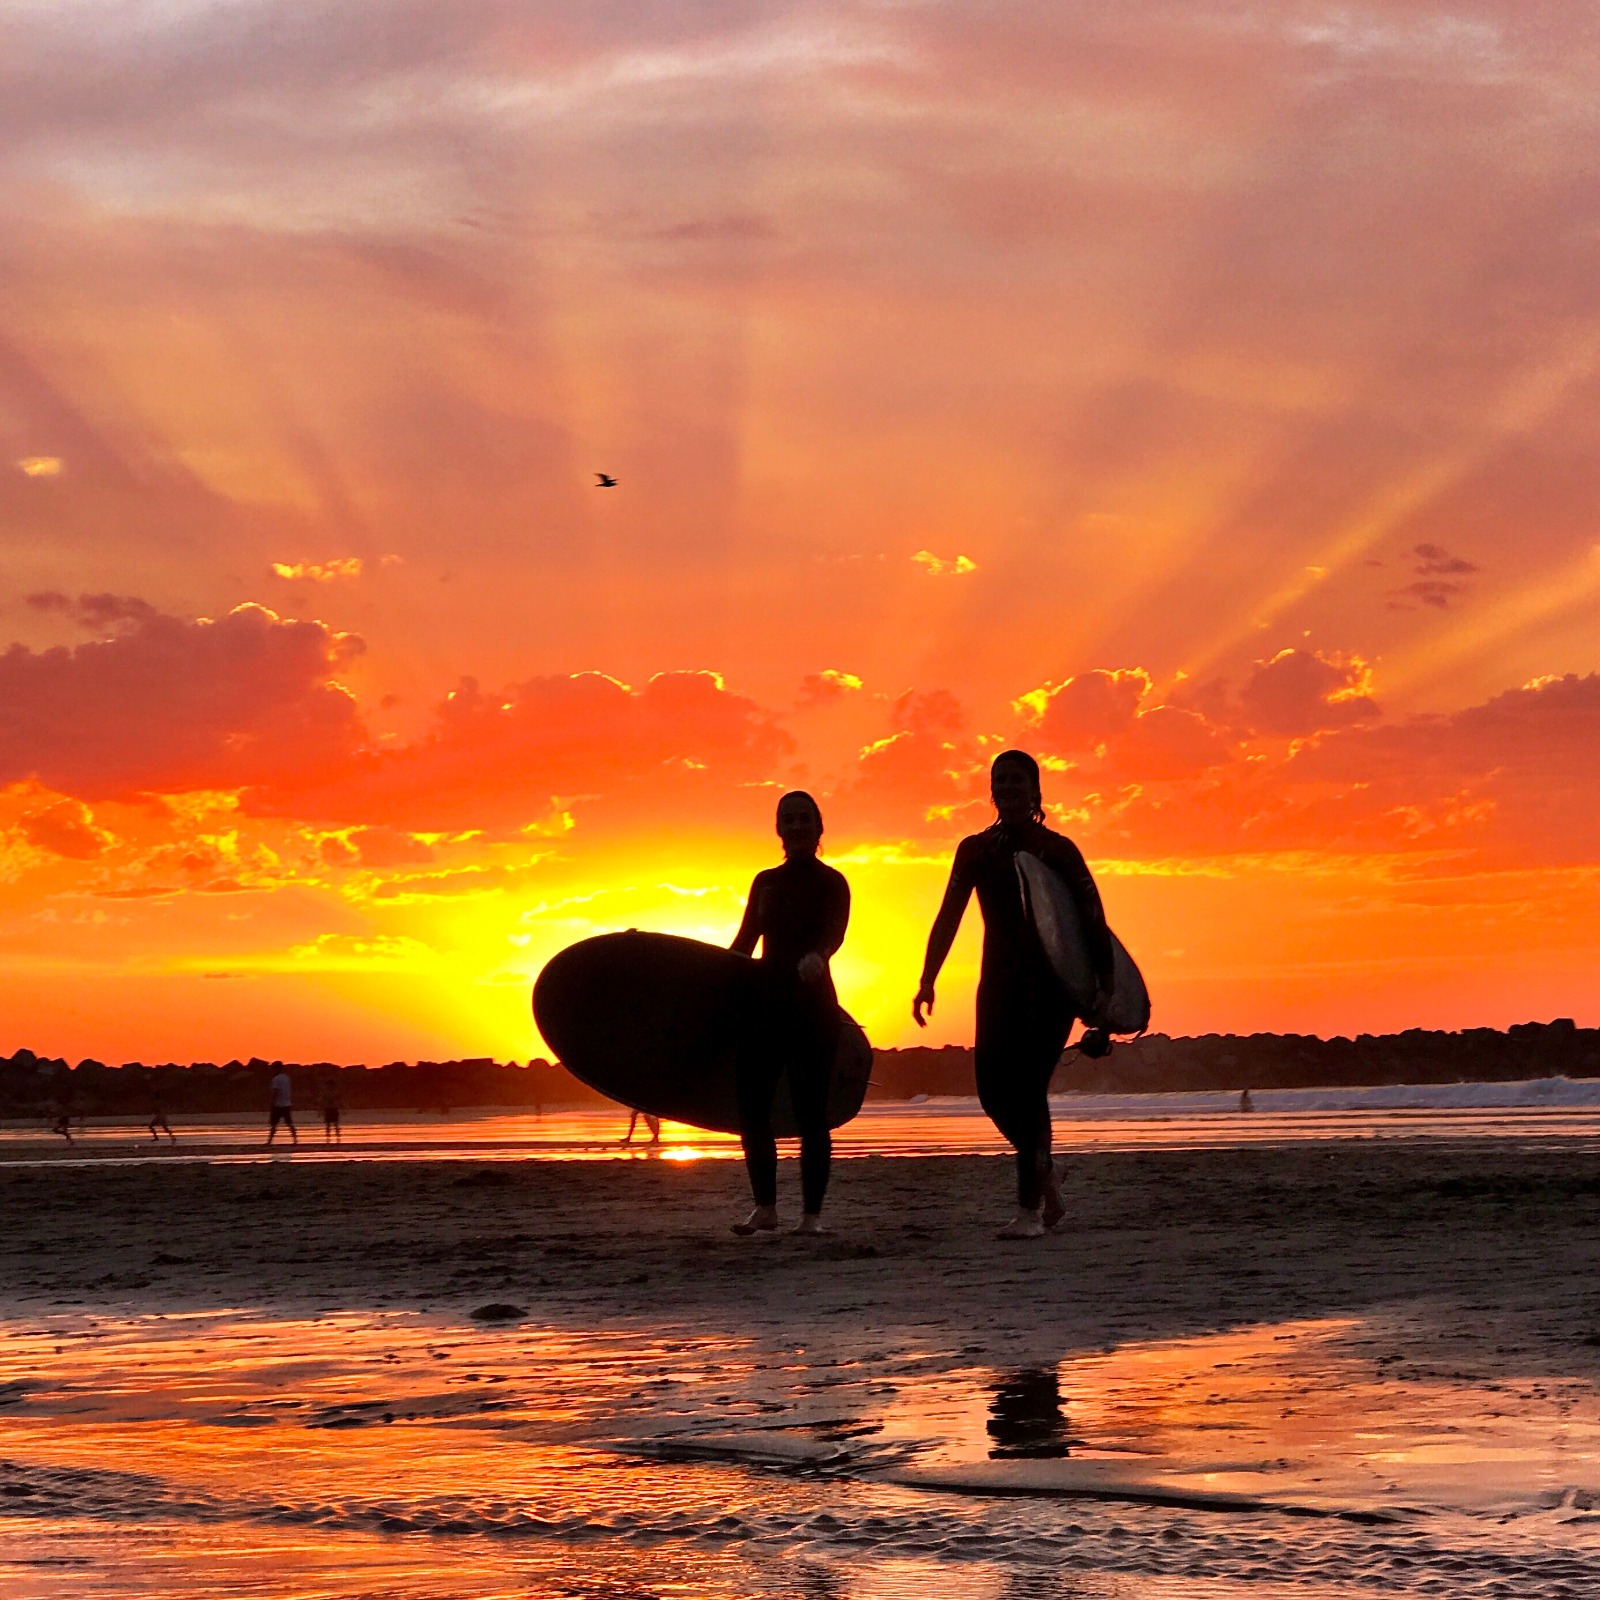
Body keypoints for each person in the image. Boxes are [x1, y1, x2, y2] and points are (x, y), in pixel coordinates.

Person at [915, 750, 1113, 1239]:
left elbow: (1092, 920)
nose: (1007, 787)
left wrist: (1103, 992)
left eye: (1017, 779)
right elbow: (949, 915)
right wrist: (927, 977)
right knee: (991, 1090)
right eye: (999, 779)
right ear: (991, 790)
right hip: (998, 983)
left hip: (1051, 989)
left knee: (1026, 1089)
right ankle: (1044, 1167)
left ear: (1036, 789)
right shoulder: (976, 850)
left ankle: (1029, 1212)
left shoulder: (1059, 850)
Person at [728, 790, 850, 1236]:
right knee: (752, 1108)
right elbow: (744, 942)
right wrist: (707, 975)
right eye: (788, 819)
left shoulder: (832, 882)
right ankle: (766, 1208)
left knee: (810, 1113)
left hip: (814, 1011)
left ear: (819, 828)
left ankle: (811, 1218)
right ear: (778, 828)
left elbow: (834, 932)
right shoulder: (765, 881)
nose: (797, 826)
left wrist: (818, 954)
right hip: (765, 1008)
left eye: (805, 819)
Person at [266, 1065, 298, 1147]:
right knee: (289, 1123)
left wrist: (272, 1101)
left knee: (274, 1123)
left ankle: (269, 1141)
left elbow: (275, 1091)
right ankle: (295, 1139)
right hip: (287, 1103)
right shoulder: (287, 1078)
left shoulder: (276, 1079)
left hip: (278, 1104)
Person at [320, 1073, 343, 1145]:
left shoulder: (334, 1092)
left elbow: (339, 1101)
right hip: (328, 1109)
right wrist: (320, 1110)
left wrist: (342, 1107)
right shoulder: (327, 1093)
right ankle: (329, 1138)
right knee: (329, 1125)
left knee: (335, 1124)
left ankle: (337, 1138)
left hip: (333, 1109)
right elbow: (323, 1101)